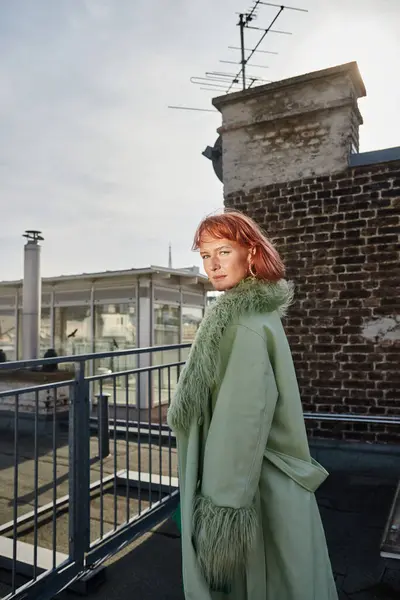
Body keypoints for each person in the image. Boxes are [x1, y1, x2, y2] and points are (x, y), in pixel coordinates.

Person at [167, 211, 338, 600]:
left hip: (255, 494)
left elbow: (240, 424)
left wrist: (220, 514)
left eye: (223, 251)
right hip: (268, 488)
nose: (212, 264)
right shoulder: (256, 314)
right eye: (206, 254)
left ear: (252, 253)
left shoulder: (241, 323)